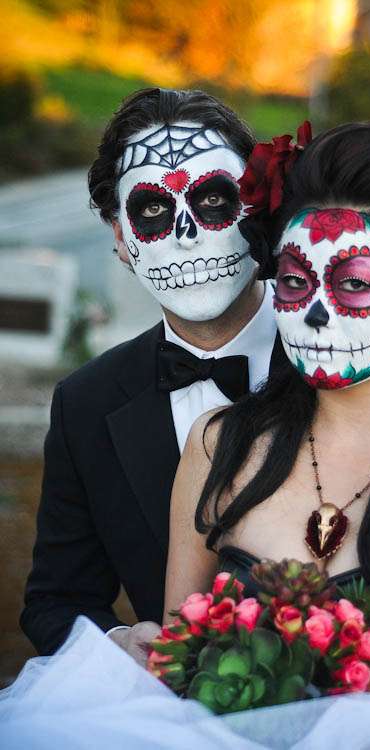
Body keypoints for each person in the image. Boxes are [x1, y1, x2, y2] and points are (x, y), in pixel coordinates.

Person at [164, 123, 370, 744]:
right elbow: (175, 666)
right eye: (295, 281)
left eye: (355, 283)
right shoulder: (219, 446)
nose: (316, 313)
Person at [20, 88, 282, 665]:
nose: (187, 233)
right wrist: (120, 644)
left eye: (213, 199)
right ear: (121, 238)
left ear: (256, 207)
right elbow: (56, 601)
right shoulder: (86, 404)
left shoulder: (336, 359)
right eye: (154, 211)